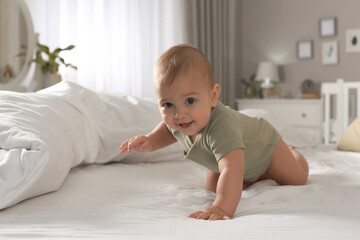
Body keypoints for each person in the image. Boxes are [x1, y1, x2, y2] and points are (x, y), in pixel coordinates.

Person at [119, 44, 309, 221]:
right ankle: (257, 175)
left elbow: (231, 169)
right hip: (233, 159)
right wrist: (150, 141)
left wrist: (221, 208)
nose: (179, 114)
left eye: (190, 101)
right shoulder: (178, 122)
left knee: (297, 179)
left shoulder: (222, 127)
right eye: (168, 104)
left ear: (213, 96)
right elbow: (167, 131)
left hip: (265, 148)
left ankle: (292, 153)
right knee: (213, 187)